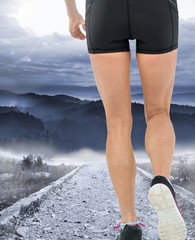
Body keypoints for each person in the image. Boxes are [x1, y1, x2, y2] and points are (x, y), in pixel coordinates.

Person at [64, 0, 187, 239]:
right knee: (158, 111)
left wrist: (72, 13)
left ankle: (129, 223)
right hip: (156, 9)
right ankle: (162, 181)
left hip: (103, 10)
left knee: (117, 122)